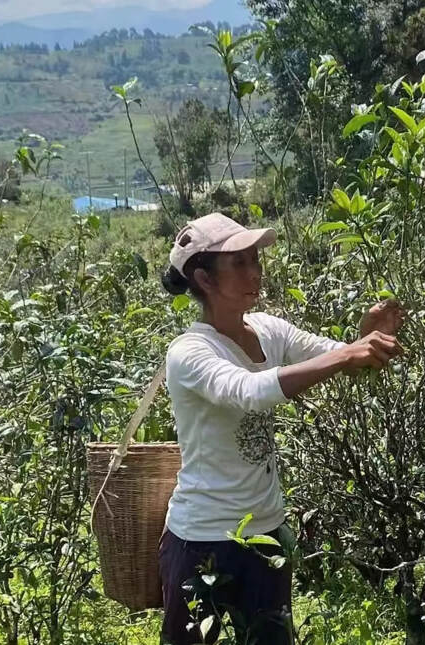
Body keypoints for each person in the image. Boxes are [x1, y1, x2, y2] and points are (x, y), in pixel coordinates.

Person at [158, 212, 405, 645]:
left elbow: (337, 358)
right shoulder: (190, 351)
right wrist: (348, 355)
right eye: (239, 263)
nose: (255, 272)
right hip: (203, 541)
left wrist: (365, 344)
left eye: (256, 259)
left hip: (267, 533)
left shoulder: (269, 329)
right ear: (205, 278)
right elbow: (250, 391)